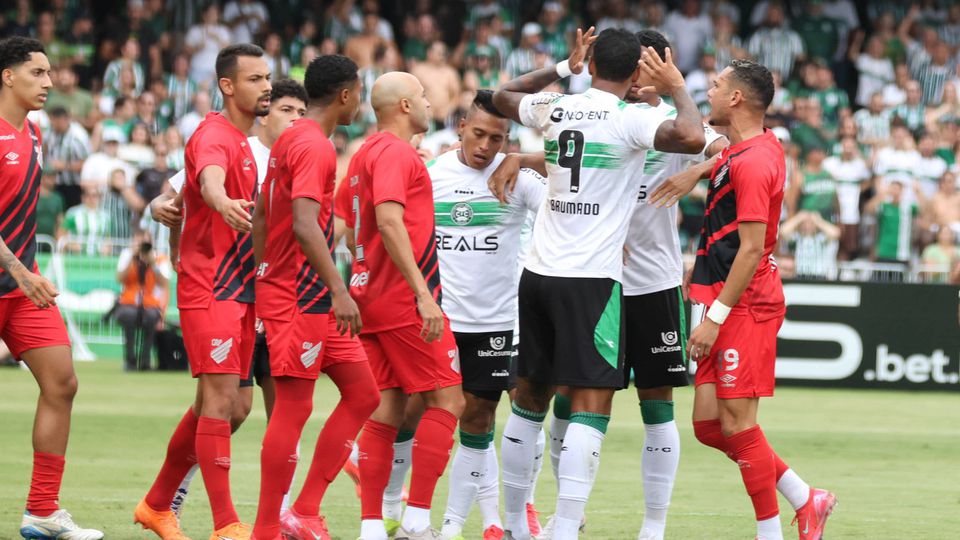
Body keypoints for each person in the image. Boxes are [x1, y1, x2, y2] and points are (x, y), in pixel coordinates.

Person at [490, 27, 705, 540]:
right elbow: (694, 135)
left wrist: (565, 69)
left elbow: (499, 97)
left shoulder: (558, 107)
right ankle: (565, 528)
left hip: (539, 271)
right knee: (591, 402)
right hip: (591, 281)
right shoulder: (634, 118)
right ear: (637, 71)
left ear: (591, 64)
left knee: (529, 397)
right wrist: (676, 85)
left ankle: (519, 527)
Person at [683, 59, 836, 540]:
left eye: (717, 85)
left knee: (738, 423)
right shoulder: (754, 146)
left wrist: (715, 317)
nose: (708, 90)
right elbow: (732, 156)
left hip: (745, 303)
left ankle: (770, 532)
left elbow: (752, 248)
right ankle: (804, 496)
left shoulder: (754, 161)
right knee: (710, 427)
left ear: (736, 99)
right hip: (724, 297)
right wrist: (698, 170)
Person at [149, 79, 310, 521]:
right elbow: (178, 194)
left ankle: (277, 516)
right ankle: (173, 499)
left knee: (283, 411)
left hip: (278, 301)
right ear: (266, 113)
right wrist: (162, 218)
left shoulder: (308, 156)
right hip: (230, 292)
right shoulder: (237, 148)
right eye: (286, 110)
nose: (295, 119)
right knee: (229, 407)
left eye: (302, 111)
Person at [133, 43, 272, 540]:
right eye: (255, 79)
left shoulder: (245, 142)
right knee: (217, 403)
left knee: (232, 407)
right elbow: (209, 182)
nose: (267, 87)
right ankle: (226, 524)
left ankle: (155, 504)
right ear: (228, 85)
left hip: (241, 289)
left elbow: (182, 194)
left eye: (268, 77)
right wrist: (222, 202)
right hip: (209, 285)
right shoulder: (214, 135)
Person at [251, 54, 380, 540]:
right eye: (359, 90)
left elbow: (265, 214)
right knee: (293, 406)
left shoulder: (292, 138)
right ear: (345, 94)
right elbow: (305, 224)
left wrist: (267, 267)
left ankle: (303, 511)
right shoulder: (316, 147)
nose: (360, 100)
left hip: (301, 291)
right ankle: (266, 529)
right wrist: (338, 289)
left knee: (363, 394)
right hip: (301, 295)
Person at [618, 29, 728, 540]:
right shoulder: (598, 113)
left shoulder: (682, 127)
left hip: (655, 282)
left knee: (656, 404)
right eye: (636, 66)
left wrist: (694, 172)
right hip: (592, 278)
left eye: (652, 66)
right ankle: (559, 517)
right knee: (572, 399)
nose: (641, 77)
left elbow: (731, 149)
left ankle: (653, 527)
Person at [348, 71, 466, 540]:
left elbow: (348, 218)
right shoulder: (397, 153)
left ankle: (373, 524)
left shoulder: (364, 155)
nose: (428, 102)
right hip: (403, 298)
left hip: (370, 294)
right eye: (421, 96)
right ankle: (417, 517)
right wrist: (422, 293)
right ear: (402, 107)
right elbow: (389, 221)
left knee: (388, 408)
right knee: (449, 398)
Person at [425, 90, 547, 540]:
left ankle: (477, 520)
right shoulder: (431, 176)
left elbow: (573, 181)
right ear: (459, 127)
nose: (485, 146)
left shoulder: (516, 176)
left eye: (497, 139)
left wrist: (526, 159)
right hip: (443, 321)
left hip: (500, 322)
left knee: (493, 415)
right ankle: (411, 512)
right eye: (478, 134)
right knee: (436, 415)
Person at [0, 36, 103, 540]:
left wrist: (21, 276)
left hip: (21, 289)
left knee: (62, 382)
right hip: (19, 278)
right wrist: (20, 270)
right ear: (8, 76)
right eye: (38, 73)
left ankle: (42, 510)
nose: (49, 81)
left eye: (49, 73)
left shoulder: (34, 133)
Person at [115, 231, 170, 371]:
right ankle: (130, 360)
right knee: (128, 315)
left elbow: (164, 283)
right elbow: (120, 278)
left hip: (151, 303)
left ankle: (145, 361)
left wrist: (152, 264)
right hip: (129, 301)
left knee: (151, 317)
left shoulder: (160, 258)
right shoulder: (128, 255)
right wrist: (133, 259)